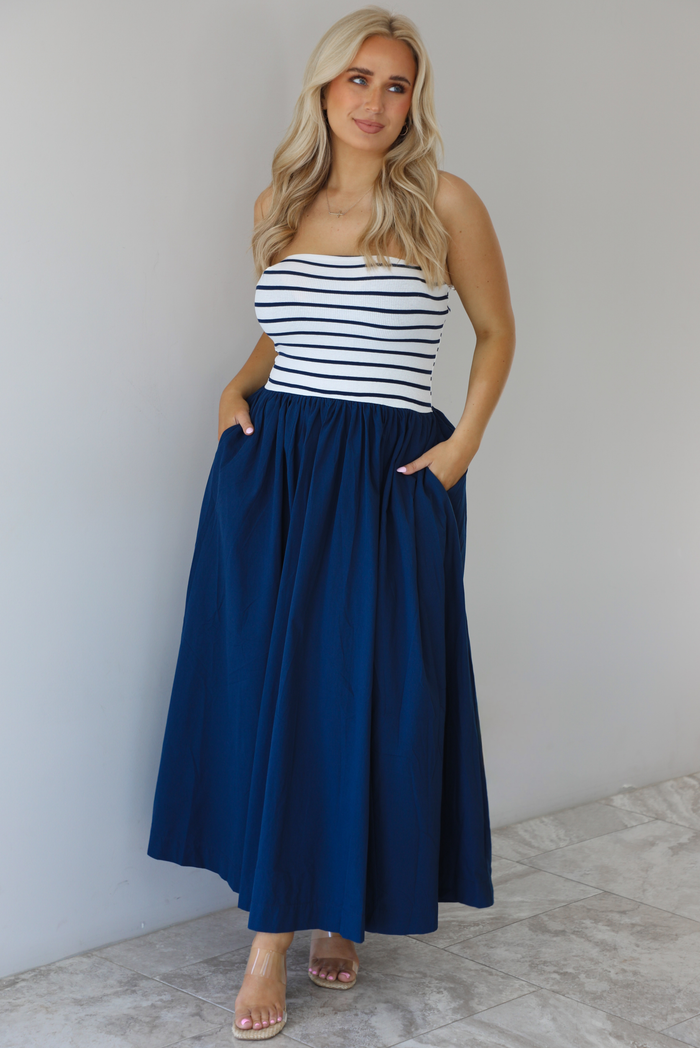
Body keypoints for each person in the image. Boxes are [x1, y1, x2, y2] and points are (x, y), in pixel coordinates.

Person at [147, 5, 515, 1040]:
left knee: (366, 695)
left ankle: (335, 908)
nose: (376, 101)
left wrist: (462, 447)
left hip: (389, 477)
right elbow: (288, 330)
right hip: (274, 473)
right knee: (271, 692)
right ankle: (276, 931)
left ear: (414, 101)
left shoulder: (444, 201)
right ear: (322, 87)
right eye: (359, 78)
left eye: (396, 85)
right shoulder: (279, 200)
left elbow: (496, 332)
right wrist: (237, 382)